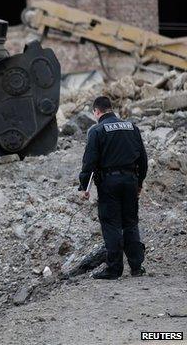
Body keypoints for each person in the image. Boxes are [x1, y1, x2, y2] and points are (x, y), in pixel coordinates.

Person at [78, 96, 148, 280]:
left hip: (109, 183)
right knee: (131, 223)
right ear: (111, 108)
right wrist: (139, 182)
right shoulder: (132, 127)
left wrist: (85, 186)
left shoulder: (97, 131)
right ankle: (136, 267)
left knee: (111, 224)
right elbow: (143, 160)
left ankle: (114, 269)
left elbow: (89, 162)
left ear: (97, 111)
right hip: (131, 181)